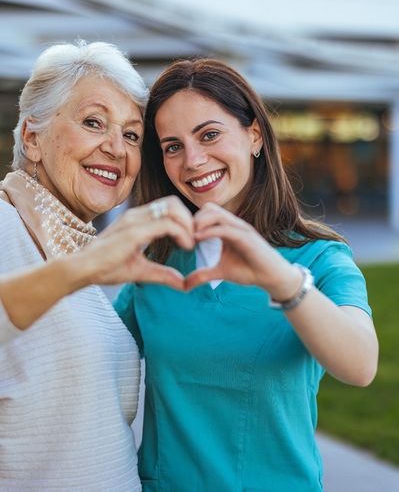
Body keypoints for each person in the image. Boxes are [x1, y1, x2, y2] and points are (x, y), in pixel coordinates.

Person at [114, 58, 379, 492]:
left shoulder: (319, 259)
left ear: (254, 134)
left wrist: (281, 280)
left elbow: (361, 364)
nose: (194, 160)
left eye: (210, 134)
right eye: (173, 146)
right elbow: (88, 356)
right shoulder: (155, 261)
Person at [0, 41, 194, 491]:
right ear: (32, 137)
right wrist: (83, 268)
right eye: (93, 123)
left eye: (131, 135)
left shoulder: (73, 252)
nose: (116, 148)